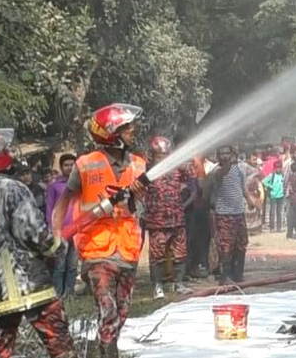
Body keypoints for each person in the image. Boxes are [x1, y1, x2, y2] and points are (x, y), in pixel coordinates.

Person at [0, 128, 75, 358]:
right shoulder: (13, 189)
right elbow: (35, 235)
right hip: (29, 287)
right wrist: (57, 247)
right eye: (5, 149)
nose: (11, 153)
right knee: (61, 346)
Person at [51, 103, 147, 358]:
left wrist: (137, 198)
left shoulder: (138, 165)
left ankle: (103, 347)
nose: (133, 130)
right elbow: (64, 202)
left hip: (127, 250)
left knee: (121, 314)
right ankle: (108, 353)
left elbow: (140, 208)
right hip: (96, 250)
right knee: (108, 310)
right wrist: (57, 234)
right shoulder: (85, 165)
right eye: (127, 127)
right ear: (111, 133)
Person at [143, 135, 194, 299]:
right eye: (159, 155)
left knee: (180, 253)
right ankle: (157, 286)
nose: (163, 159)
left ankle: (179, 284)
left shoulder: (178, 169)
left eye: (165, 155)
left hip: (177, 219)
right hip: (157, 221)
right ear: (152, 155)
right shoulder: (147, 171)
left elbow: (192, 175)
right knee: (157, 256)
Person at [204, 145, 250, 284]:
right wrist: (231, 161)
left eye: (227, 153)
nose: (224, 156)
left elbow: (242, 187)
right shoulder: (216, 171)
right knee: (225, 246)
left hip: (238, 213)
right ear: (218, 156)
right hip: (224, 214)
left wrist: (249, 201)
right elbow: (222, 174)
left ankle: (238, 274)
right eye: (222, 154)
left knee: (241, 243)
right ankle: (225, 276)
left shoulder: (239, 169)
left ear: (231, 154)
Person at [45, 153, 79, 296]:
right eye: (66, 165)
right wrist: (51, 228)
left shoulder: (79, 184)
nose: (69, 168)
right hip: (61, 229)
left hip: (77, 229)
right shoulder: (54, 186)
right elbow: (49, 207)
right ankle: (58, 293)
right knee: (60, 264)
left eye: (72, 165)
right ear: (61, 167)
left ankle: (69, 292)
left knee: (72, 264)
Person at [261, 164, 285, 233]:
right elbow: (264, 181)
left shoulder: (282, 175)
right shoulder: (272, 175)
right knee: (272, 212)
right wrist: (270, 186)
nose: (279, 169)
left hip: (280, 196)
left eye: (280, 168)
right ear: (275, 168)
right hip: (273, 196)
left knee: (279, 212)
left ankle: (279, 227)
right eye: (277, 168)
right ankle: (272, 228)